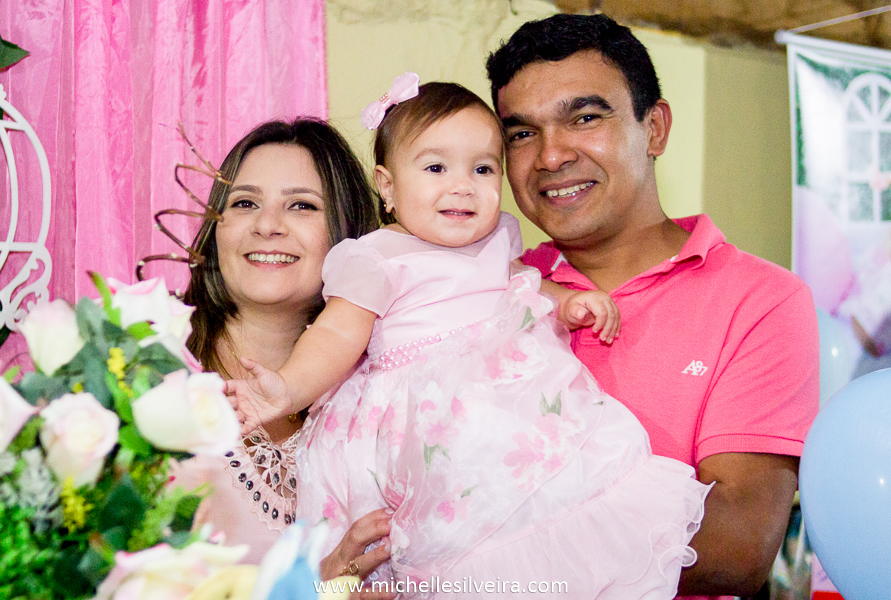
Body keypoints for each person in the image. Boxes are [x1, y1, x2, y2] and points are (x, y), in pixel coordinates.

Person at [230, 81, 711, 599]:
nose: (462, 186)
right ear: (386, 186)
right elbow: (337, 335)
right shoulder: (379, 256)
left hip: (504, 407)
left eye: (482, 169)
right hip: (422, 417)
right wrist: (288, 388)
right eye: (436, 168)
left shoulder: (497, 239)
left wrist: (566, 302)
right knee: (436, 541)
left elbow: (520, 283)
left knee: (559, 497)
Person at [485, 13, 820, 599]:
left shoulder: (760, 300)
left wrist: (481, 545)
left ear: (655, 128)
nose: (550, 156)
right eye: (521, 133)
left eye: (585, 118)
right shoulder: (482, 285)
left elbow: (737, 545)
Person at [174, 119, 394, 596]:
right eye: (245, 203)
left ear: (349, 237)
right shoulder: (147, 375)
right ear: (215, 231)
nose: (268, 225)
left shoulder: (376, 400)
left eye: (301, 206)